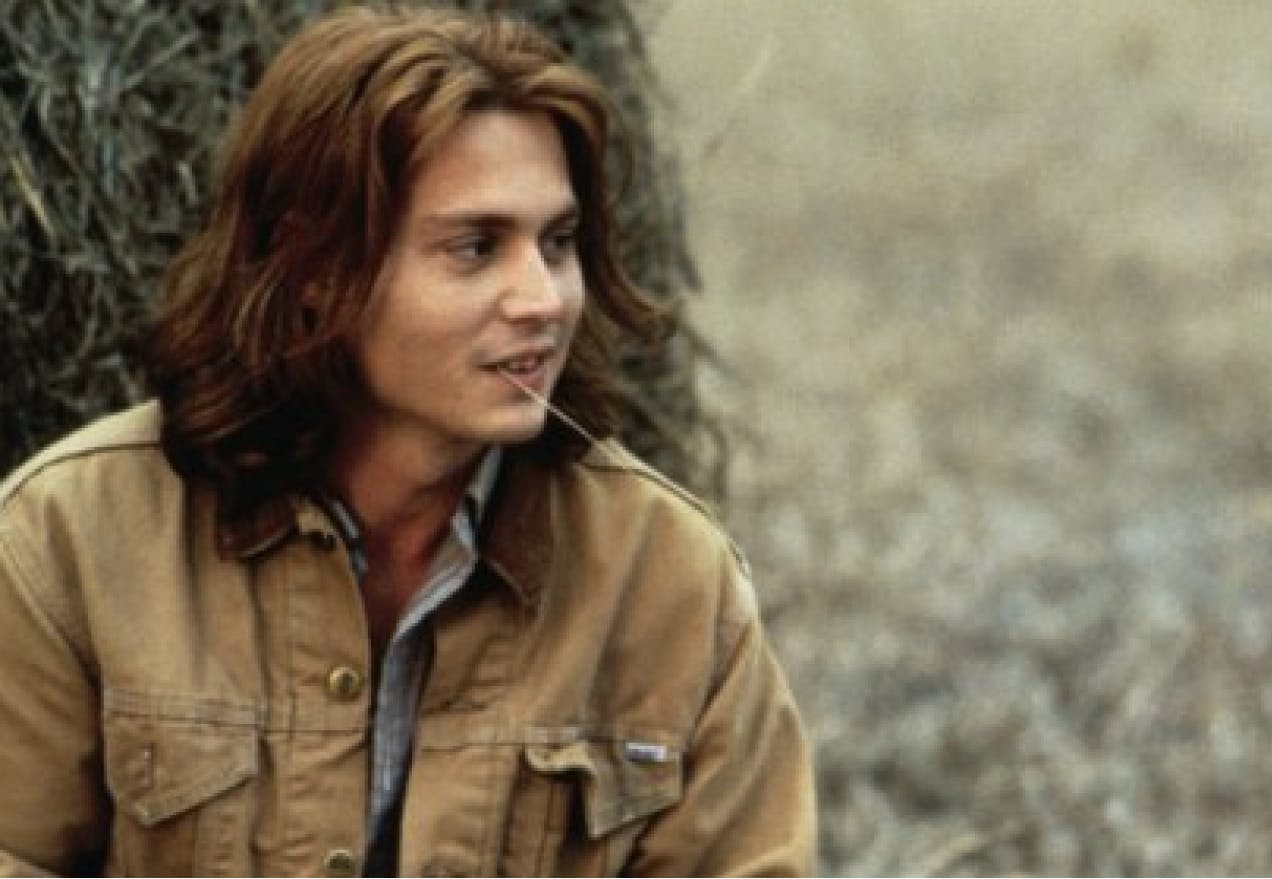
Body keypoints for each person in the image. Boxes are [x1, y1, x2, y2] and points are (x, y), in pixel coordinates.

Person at [0, 6, 814, 875]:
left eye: (559, 242)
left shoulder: (672, 581)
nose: (542, 297)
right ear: (315, 272)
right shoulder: (68, 543)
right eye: (475, 247)